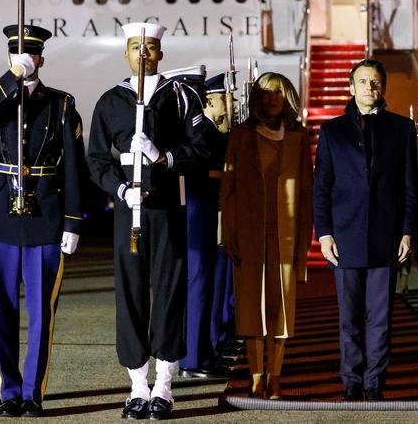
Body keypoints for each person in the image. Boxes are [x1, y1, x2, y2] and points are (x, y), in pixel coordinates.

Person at [86, 22, 212, 420]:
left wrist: (163, 157)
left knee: (170, 292)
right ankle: (137, 385)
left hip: (167, 209)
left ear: (161, 53)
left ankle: (164, 384)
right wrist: (120, 190)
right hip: (129, 211)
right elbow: (97, 159)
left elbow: (201, 149)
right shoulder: (111, 100)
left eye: (151, 47)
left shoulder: (179, 97)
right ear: (125, 52)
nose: (144, 53)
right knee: (131, 295)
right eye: (136, 46)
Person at [0, 24, 84, 418]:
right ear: (10, 59)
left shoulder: (61, 104)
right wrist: (11, 78)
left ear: (42, 59)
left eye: (32, 56)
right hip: (0, 217)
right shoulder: (0, 98)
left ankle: (33, 393)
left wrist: (72, 222)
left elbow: (73, 168)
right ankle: (9, 391)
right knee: (2, 310)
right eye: (19, 55)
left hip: (45, 217)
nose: (26, 61)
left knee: (41, 313)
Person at [313, 59, 418, 402]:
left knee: (381, 318)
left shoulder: (402, 129)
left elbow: (409, 186)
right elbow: (322, 186)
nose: (369, 88)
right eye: (362, 81)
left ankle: (374, 382)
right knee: (349, 319)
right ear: (351, 87)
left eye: (375, 82)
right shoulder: (332, 131)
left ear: (383, 87)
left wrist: (407, 231)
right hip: (344, 237)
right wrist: (324, 233)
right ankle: (351, 380)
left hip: (386, 236)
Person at [220, 72, 313, 400]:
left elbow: (306, 192)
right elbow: (227, 188)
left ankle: (275, 375)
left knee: (280, 308)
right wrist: (226, 232)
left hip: (286, 233)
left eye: (278, 92)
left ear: (287, 96)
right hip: (248, 232)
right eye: (266, 92)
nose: (273, 98)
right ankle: (256, 375)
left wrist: (305, 239)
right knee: (251, 307)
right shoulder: (241, 136)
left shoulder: (299, 138)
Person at [181, 73, 231, 379]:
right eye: (225, 96)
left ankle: (205, 351)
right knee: (199, 284)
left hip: (208, 210)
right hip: (199, 211)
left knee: (209, 284)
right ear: (209, 101)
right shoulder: (203, 134)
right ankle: (192, 358)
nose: (231, 102)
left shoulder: (213, 133)